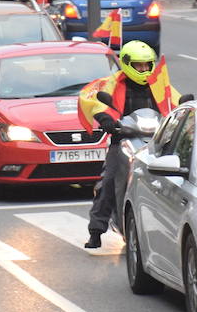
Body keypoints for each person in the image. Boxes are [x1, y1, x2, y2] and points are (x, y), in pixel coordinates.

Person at [78, 41, 186, 249]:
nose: (145, 69)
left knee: (177, 178)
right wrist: (105, 119)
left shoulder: (158, 82)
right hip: (124, 139)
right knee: (108, 182)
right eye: (139, 65)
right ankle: (96, 231)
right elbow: (98, 103)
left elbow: (174, 99)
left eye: (147, 65)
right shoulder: (114, 83)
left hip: (155, 141)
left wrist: (184, 106)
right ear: (127, 64)